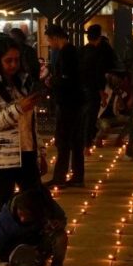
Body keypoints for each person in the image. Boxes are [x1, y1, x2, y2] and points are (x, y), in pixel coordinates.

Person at [0, 37, 47, 216]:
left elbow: (31, 124)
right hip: (0, 159)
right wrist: (17, 108)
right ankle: (1, 243)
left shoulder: (22, 84)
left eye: (16, 60)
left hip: (27, 153)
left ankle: (28, 242)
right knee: (5, 208)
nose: (13, 64)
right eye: (8, 60)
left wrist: (41, 152)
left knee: (34, 205)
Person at [44, 24, 85, 187]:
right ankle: (77, 175)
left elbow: (68, 79)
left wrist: (52, 81)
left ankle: (60, 176)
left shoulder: (67, 53)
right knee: (74, 140)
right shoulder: (71, 51)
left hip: (68, 102)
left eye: (48, 39)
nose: (48, 43)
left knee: (63, 140)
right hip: (74, 101)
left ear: (55, 37)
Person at [80, 24, 116, 148]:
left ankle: (85, 141)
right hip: (93, 89)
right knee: (91, 116)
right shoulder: (97, 53)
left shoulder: (83, 50)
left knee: (86, 116)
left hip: (83, 88)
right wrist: (101, 92)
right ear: (99, 37)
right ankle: (87, 142)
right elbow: (98, 73)